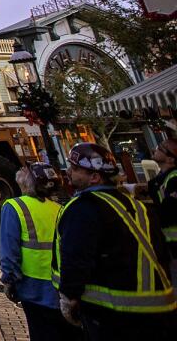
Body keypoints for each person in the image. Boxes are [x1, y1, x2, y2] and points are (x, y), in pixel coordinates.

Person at [52, 142, 175, 338]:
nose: (69, 172)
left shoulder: (84, 208)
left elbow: (76, 258)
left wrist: (69, 296)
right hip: (161, 308)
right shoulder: (137, 206)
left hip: (114, 315)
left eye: (76, 169)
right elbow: (161, 254)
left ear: (94, 177)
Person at [0, 163, 78, 341]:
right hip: (62, 287)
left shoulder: (15, 207)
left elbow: (9, 250)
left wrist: (9, 281)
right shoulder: (60, 209)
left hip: (33, 287)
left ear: (27, 182)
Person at [143, 139, 177, 258]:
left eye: (160, 148)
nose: (155, 149)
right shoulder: (161, 177)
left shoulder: (174, 179)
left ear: (170, 159)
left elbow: (169, 210)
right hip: (170, 243)